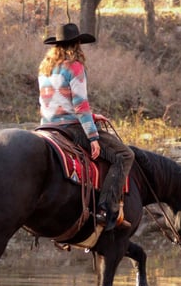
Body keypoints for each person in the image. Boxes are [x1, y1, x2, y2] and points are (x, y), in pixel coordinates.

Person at [38, 22, 134, 231]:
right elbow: (80, 105)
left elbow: (57, 103)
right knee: (124, 155)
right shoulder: (75, 67)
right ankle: (105, 209)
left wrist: (91, 115)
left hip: (46, 127)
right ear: (77, 45)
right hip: (71, 128)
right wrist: (92, 137)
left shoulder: (45, 67)